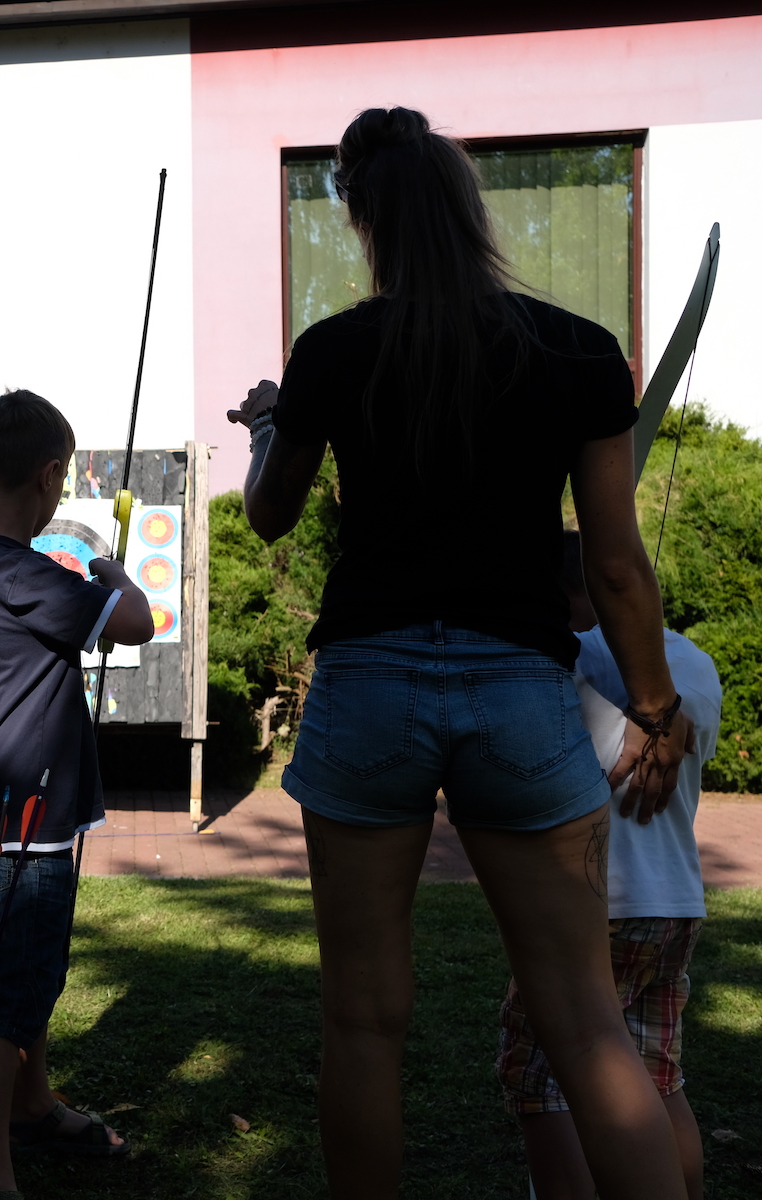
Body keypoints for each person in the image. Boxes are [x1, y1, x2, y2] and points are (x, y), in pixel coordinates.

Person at [227, 106, 693, 1200]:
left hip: (367, 688)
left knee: (362, 1018)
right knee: (587, 1022)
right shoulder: (579, 351)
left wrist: (271, 428)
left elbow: (269, 515)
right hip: (520, 691)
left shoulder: (332, 350)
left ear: (364, 219)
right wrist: (656, 708)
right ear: (469, 210)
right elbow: (616, 567)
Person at [0, 389, 153, 1200]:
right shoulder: (22, 574)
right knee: (10, 991)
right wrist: (113, 574)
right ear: (48, 476)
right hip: (27, 817)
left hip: (18, 812)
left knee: (29, 970)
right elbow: (134, 621)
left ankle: (30, 1107)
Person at [501, 531, 722, 1199]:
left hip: (598, 907)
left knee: (542, 1080)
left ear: (574, 597)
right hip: (676, 906)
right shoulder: (696, 664)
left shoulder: (567, 658)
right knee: (658, 1080)